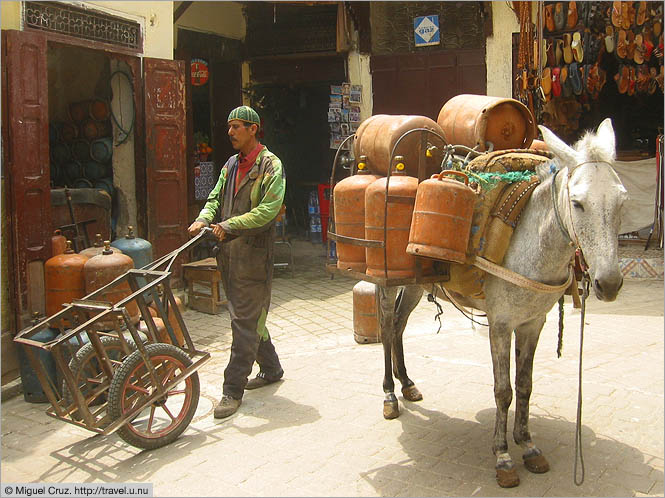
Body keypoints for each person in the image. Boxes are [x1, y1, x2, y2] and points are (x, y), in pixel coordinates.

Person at [188, 105, 286, 419]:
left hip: (255, 256)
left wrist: (229, 226)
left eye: (237, 127)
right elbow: (216, 197)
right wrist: (203, 218)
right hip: (229, 255)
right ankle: (271, 369)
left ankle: (232, 389)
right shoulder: (231, 164)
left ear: (253, 129)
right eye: (229, 126)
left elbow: (268, 210)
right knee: (248, 316)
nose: (230, 132)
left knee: (242, 322)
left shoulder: (271, 165)